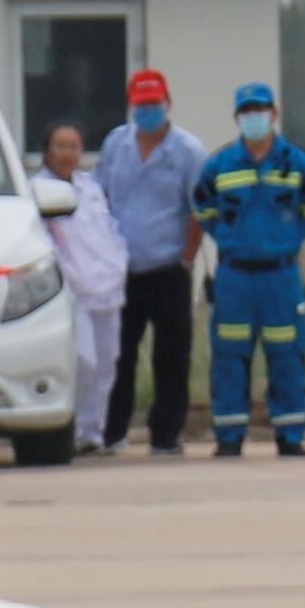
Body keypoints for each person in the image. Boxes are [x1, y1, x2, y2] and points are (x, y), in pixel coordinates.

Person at [191, 81, 305, 460]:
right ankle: (230, 435)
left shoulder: (297, 163)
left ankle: (290, 433)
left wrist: (286, 238)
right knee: (229, 356)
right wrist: (231, 238)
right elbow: (204, 208)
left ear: (274, 114)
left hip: (281, 276)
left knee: (288, 354)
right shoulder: (220, 166)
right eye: (247, 111)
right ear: (237, 118)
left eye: (260, 110)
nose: (254, 117)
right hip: (235, 276)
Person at [95, 70, 207, 455]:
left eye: (154, 105)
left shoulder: (189, 152)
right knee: (117, 354)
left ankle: (165, 435)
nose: (148, 112)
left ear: (168, 104)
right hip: (121, 270)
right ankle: (112, 432)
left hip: (168, 269)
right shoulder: (116, 144)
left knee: (172, 356)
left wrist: (186, 260)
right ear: (131, 106)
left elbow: (200, 210)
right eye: (141, 106)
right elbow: (100, 199)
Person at [36, 122, 130, 456]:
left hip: (107, 287)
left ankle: (93, 430)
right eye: (60, 146)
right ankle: (71, 427)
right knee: (83, 361)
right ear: (47, 151)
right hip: (72, 291)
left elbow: (109, 232)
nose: (67, 153)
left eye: (74, 146)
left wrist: (118, 265)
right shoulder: (38, 190)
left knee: (107, 361)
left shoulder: (91, 187)